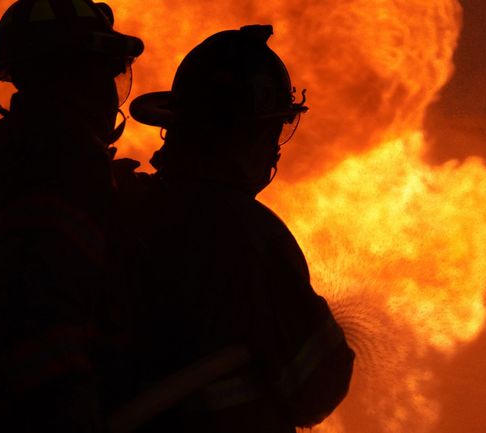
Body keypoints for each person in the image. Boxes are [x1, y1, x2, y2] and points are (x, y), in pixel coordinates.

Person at [120, 25, 354, 432]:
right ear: (245, 132)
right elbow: (317, 385)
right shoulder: (248, 235)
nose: (274, 147)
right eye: (272, 130)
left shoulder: (125, 205)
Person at [0, 1, 143, 431]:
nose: (112, 92)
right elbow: (40, 322)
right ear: (77, 75)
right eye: (107, 72)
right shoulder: (61, 160)